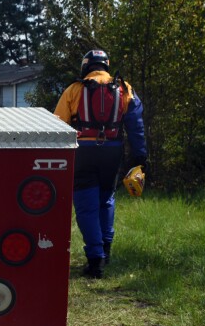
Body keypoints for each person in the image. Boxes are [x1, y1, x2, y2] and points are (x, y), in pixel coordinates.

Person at [54, 49, 147, 279]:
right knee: (106, 199)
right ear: (106, 65)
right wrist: (140, 156)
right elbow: (136, 124)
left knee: (87, 205)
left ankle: (95, 261)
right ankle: (106, 250)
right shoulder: (124, 88)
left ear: (86, 66)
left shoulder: (74, 89)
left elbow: (57, 125)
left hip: (83, 152)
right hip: (112, 152)